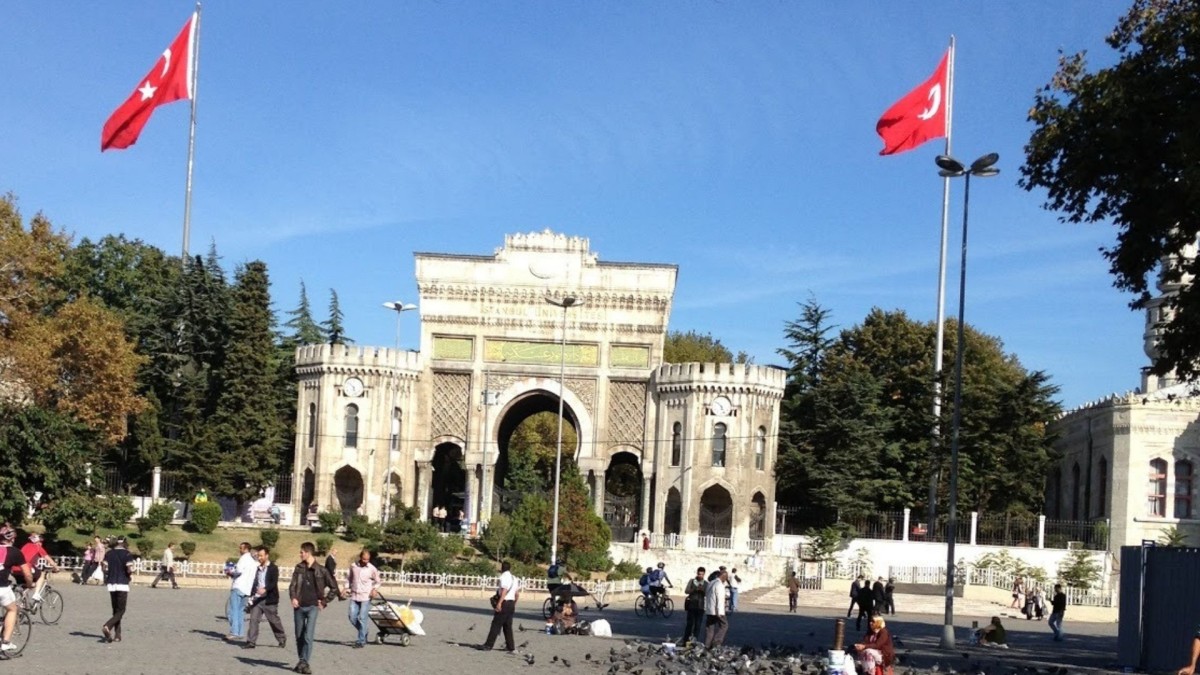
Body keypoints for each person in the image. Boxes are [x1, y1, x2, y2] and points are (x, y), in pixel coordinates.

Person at [289, 541, 339, 674]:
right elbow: (292, 585)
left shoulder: (322, 570)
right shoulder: (299, 568)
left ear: (308, 553)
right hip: (299, 606)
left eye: (302, 552)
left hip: (313, 607)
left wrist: (324, 601)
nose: (300, 554)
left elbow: (334, 588)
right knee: (299, 635)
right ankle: (302, 661)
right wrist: (293, 597)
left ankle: (304, 662)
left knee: (308, 635)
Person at [244, 545, 287, 650]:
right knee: (254, 619)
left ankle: (281, 638)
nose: (259, 558)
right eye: (258, 556)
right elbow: (255, 582)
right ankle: (251, 642)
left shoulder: (273, 568)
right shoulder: (258, 568)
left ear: (267, 555)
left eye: (261, 556)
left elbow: (273, 582)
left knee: (273, 620)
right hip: (257, 599)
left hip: (269, 599)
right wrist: (251, 595)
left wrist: (265, 589)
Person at [0, 524, 33, 653]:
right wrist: (30, 584)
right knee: (12, 609)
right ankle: (6, 642)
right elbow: (27, 573)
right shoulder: (15, 552)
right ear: (12, 538)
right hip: (2, 587)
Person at [100, 536, 135, 643]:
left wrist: (109, 573)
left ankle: (117, 635)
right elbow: (129, 569)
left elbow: (104, 568)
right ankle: (108, 625)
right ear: (124, 543)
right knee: (121, 610)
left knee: (115, 610)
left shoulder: (109, 553)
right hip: (122, 583)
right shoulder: (127, 554)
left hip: (111, 583)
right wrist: (131, 572)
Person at [482, 560, 520, 653]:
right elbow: (517, 594)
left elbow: (504, 591)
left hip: (504, 602)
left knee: (496, 624)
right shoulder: (514, 578)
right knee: (507, 626)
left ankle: (488, 645)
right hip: (511, 603)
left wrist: (499, 603)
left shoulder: (503, 577)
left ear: (502, 568)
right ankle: (510, 647)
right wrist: (514, 604)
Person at [346, 549, 380, 648]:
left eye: (367, 559)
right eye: (364, 559)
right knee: (352, 617)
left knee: (362, 618)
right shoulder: (353, 566)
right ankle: (364, 631)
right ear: (360, 557)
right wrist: (346, 587)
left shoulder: (372, 568)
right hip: (354, 595)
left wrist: (374, 589)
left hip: (366, 596)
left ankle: (361, 641)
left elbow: (378, 581)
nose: (366, 561)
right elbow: (349, 578)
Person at [15, 533, 60, 605]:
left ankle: (22, 605)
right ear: (37, 542)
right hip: (26, 568)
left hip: (15, 569)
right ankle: (36, 594)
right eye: (40, 542)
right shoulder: (38, 547)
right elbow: (48, 559)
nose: (41, 543)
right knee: (41, 573)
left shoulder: (25, 546)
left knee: (26, 585)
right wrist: (56, 568)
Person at [227, 541, 257, 641]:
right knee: (241, 611)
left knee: (233, 610)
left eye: (241, 548)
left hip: (238, 586)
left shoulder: (243, 558)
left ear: (246, 549)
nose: (239, 550)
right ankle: (240, 632)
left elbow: (238, 571)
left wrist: (229, 573)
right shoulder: (253, 561)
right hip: (247, 588)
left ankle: (234, 631)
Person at [703, 569, 728, 649]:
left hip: (709, 609)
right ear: (723, 577)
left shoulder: (710, 583)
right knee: (724, 625)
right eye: (726, 578)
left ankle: (707, 645)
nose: (725, 580)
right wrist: (719, 612)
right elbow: (720, 599)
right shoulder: (719, 585)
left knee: (710, 628)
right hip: (717, 610)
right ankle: (716, 642)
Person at [682, 567, 707, 644]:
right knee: (689, 624)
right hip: (692, 605)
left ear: (704, 574)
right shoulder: (692, 581)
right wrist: (694, 590)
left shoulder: (706, 583)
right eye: (699, 574)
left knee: (698, 625)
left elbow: (707, 593)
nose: (700, 576)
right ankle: (685, 640)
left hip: (700, 606)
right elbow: (686, 591)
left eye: (702, 574)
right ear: (697, 573)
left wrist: (702, 590)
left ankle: (694, 641)